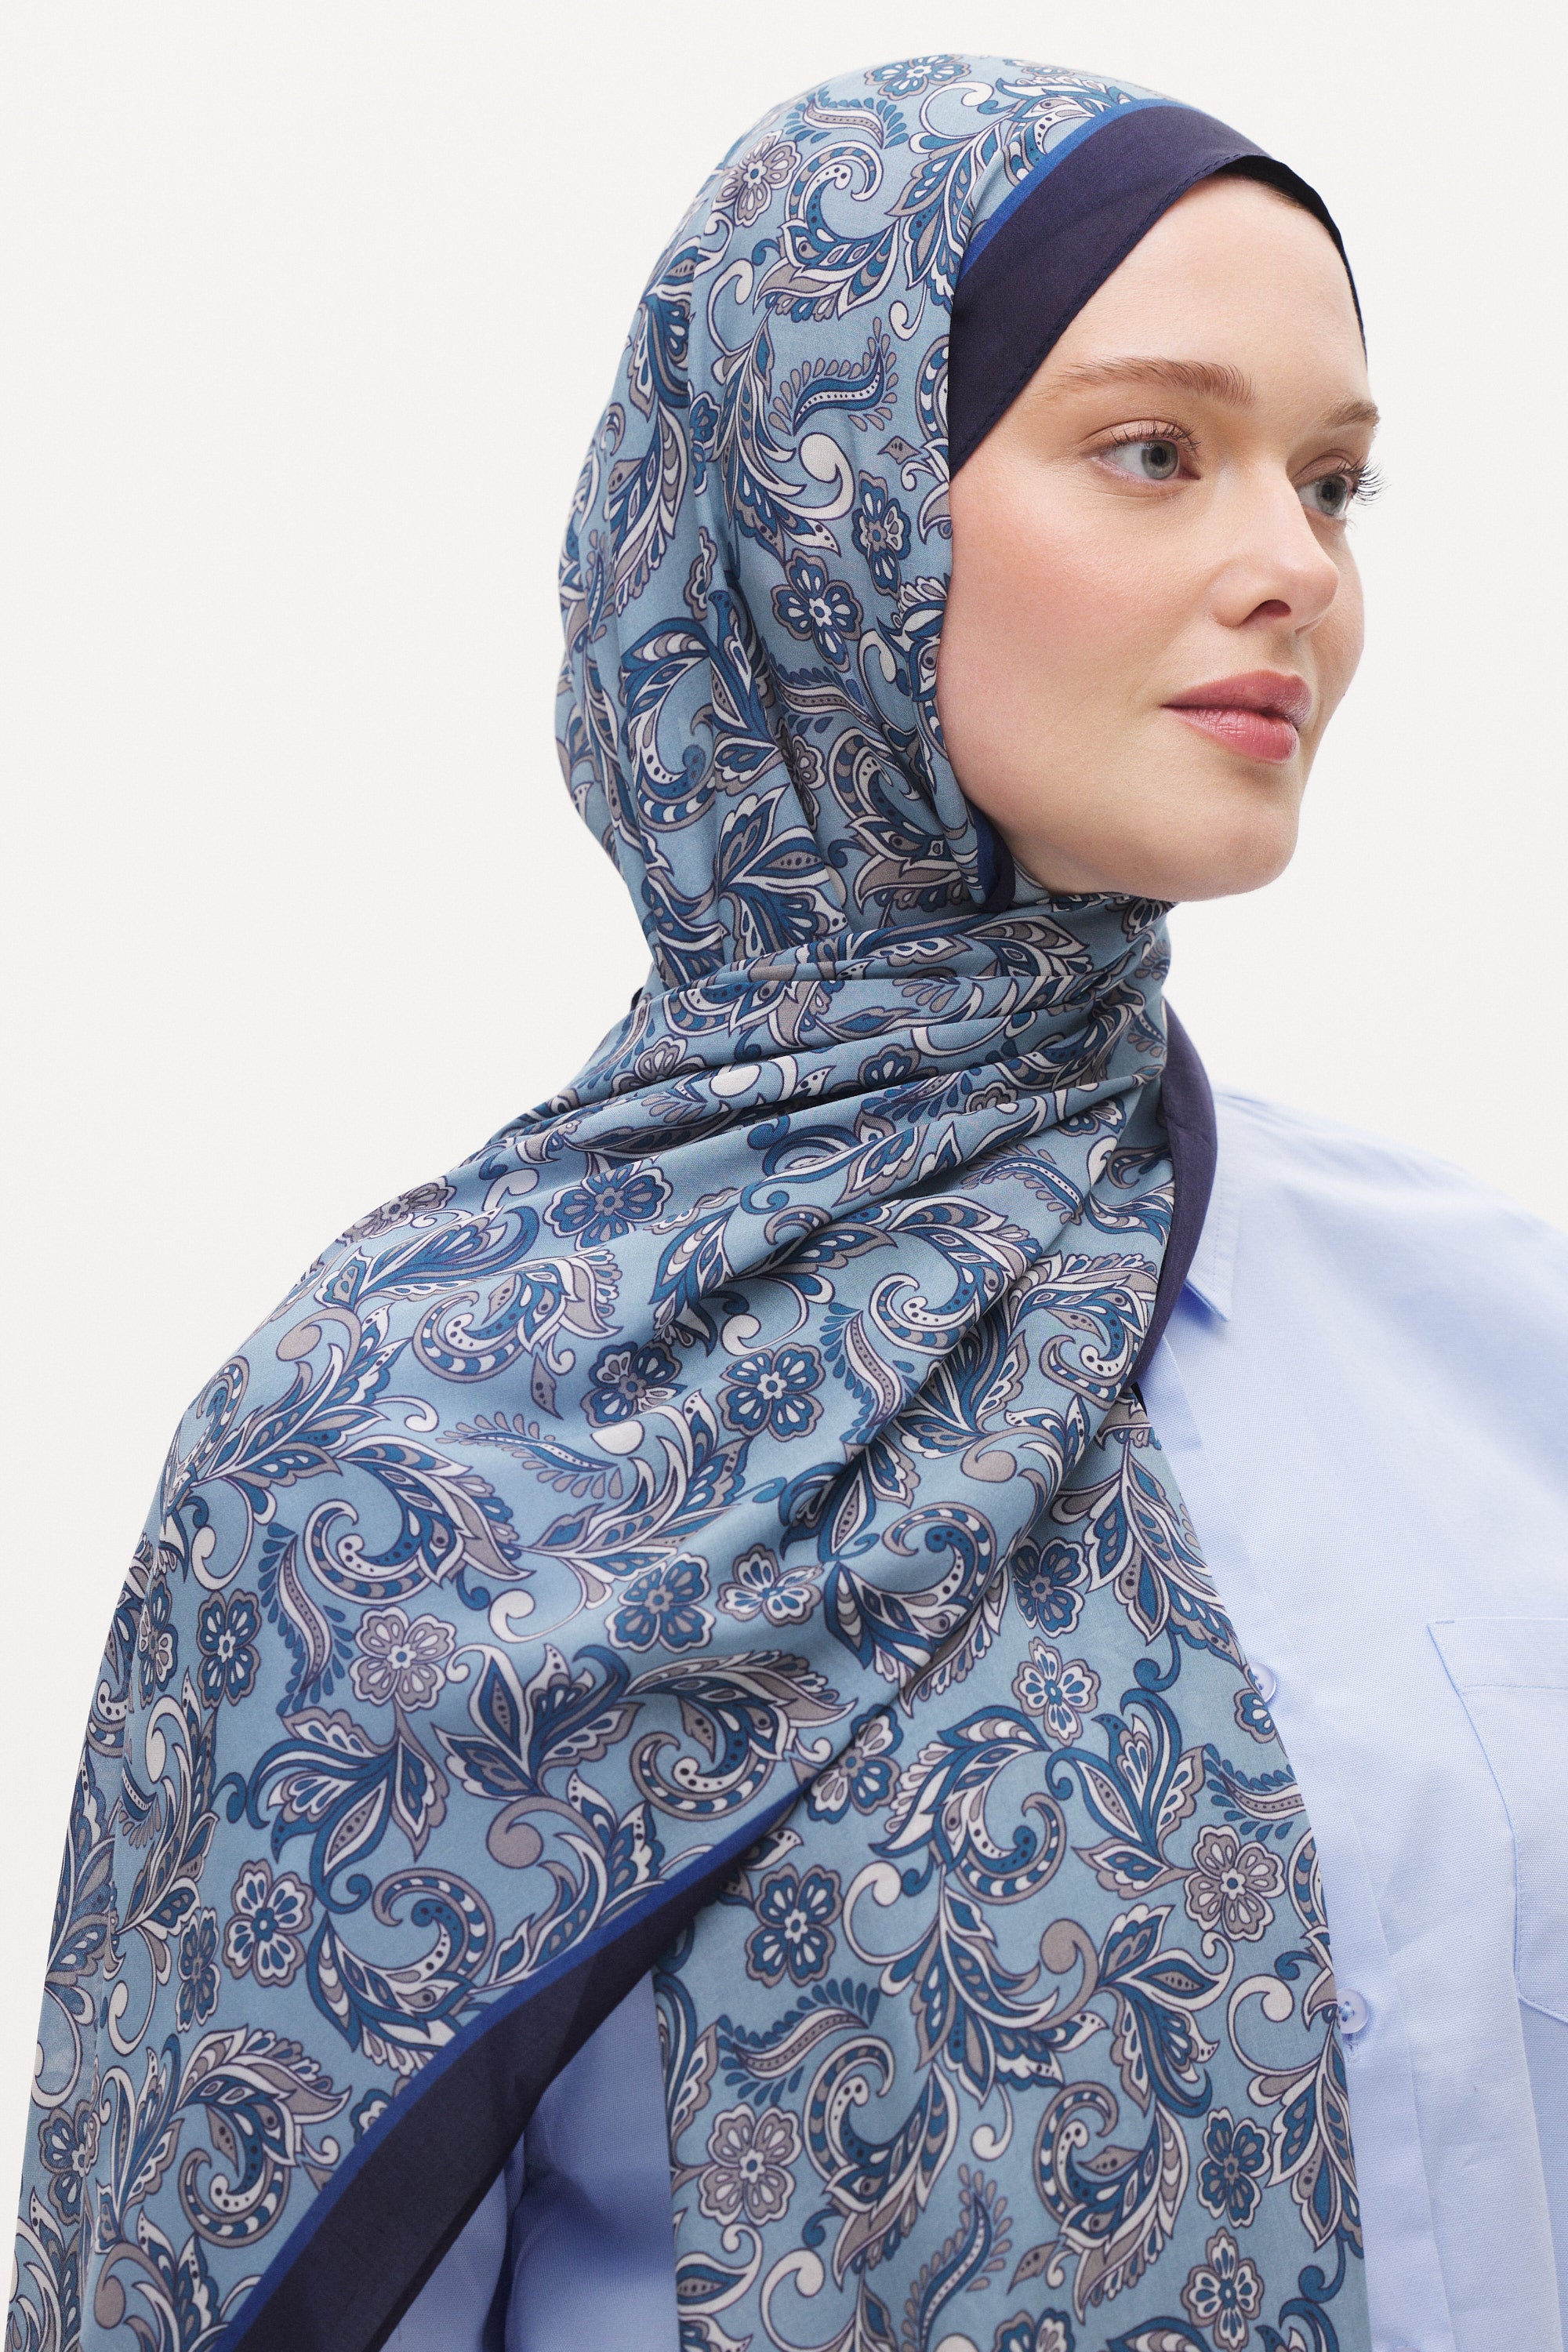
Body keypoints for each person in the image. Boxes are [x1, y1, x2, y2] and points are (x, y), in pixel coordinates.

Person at [10, 54, 1566, 2352]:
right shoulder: (384, 1472)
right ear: (818, 512)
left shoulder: (1495, 1339)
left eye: (1335, 480)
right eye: (1158, 450)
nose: (1298, 569)